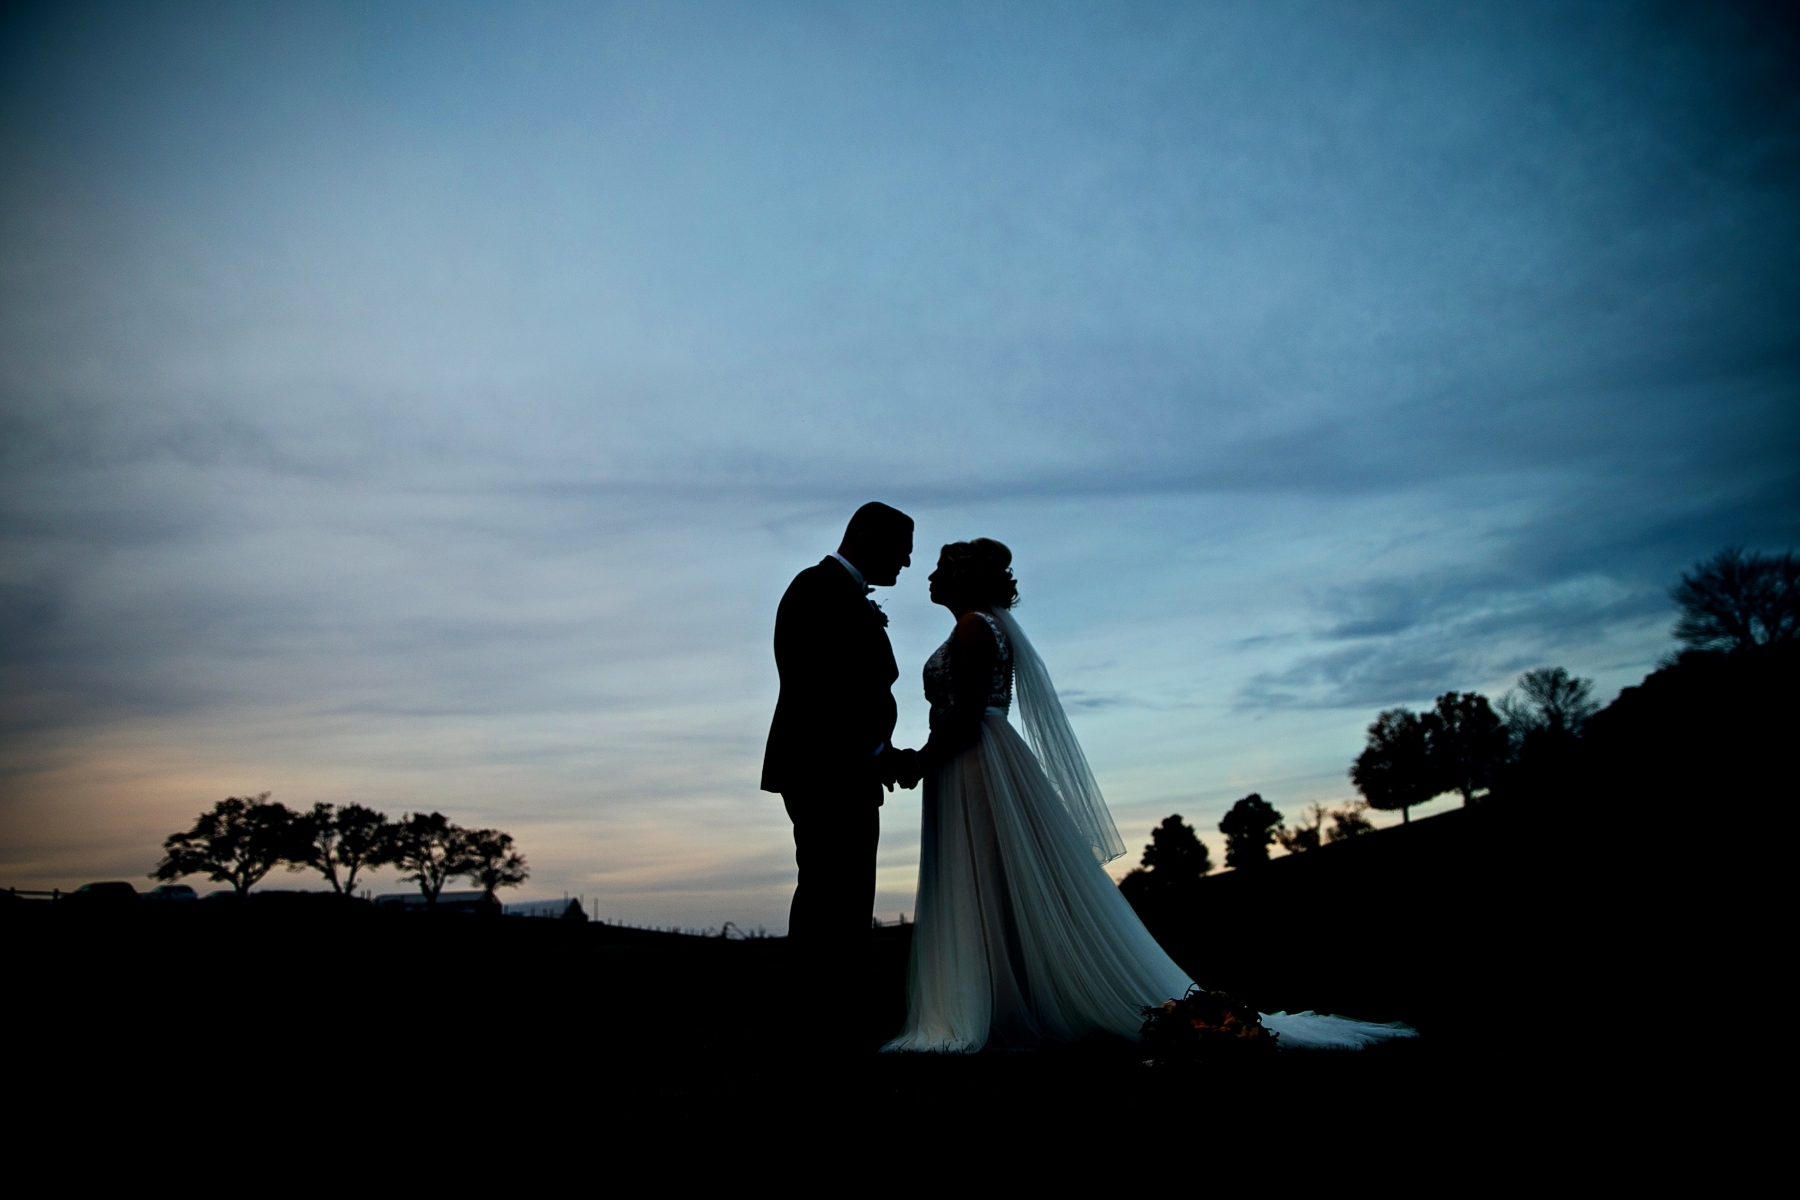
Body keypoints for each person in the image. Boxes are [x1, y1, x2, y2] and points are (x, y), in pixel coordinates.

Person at [884, 538, 1413, 1053]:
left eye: (939, 569)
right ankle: (1004, 998)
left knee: (989, 876)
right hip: (969, 760)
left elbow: (970, 708)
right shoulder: (981, 626)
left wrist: (920, 761)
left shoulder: (978, 627)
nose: (929, 578)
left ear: (962, 579)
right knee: (989, 881)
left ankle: (997, 1004)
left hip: (978, 763)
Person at [761, 502, 922, 1045]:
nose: (907, 561)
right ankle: (819, 1020)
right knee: (832, 894)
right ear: (869, 535)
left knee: (844, 895)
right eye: (902, 547)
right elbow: (821, 690)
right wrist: (878, 752)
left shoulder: (841, 594)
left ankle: (830, 1015)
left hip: (843, 767)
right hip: (825, 769)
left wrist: (881, 751)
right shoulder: (817, 589)